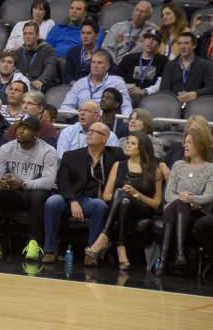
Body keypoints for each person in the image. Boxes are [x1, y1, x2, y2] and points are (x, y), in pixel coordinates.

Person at [0, 115, 59, 261]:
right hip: (12, 192)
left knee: (38, 195)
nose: (20, 131)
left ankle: (34, 243)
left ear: (36, 133)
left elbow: (48, 181)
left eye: (26, 128)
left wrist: (23, 183)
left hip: (33, 193)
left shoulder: (48, 151)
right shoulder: (6, 148)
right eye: (19, 127)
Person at [43, 121, 124, 265]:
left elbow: (141, 158)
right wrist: (73, 201)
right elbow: (63, 182)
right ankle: (50, 250)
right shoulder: (71, 156)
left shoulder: (116, 154)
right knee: (52, 202)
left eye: (95, 131)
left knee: (100, 206)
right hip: (71, 198)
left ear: (105, 138)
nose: (89, 133)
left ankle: (92, 252)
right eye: (89, 131)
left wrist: (161, 163)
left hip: (92, 200)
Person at [85, 131, 163, 269]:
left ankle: (104, 236)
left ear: (142, 148)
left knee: (123, 195)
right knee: (122, 198)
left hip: (142, 209)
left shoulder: (154, 170)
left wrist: (136, 194)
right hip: (121, 206)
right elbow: (106, 196)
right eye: (128, 142)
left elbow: (156, 204)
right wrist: (124, 195)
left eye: (133, 143)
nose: (128, 145)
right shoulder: (118, 165)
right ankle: (121, 249)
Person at [152, 128, 213, 276]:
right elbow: (168, 194)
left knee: (179, 204)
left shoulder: (210, 168)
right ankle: (179, 255)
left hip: (197, 212)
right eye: (185, 142)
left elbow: (210, 196)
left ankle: (165, 261)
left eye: (190, 142)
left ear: (201, 145)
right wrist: (183, 199)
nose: (185, 145)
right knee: (179, 204)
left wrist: (192, 199)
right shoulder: (178, 165)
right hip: (176, 208)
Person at [60, 50, 133, 116]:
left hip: (105, 121)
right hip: (81, 121)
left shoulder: (117, 82)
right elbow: (65, 106)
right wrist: (80, 113)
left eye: (99, 63)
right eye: (93, 62)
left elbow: (126, 106)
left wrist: (125, 120)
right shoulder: (80, 83)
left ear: (107, 66)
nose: (95, 66)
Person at [159, 31, 213, 105]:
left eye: (186, 43)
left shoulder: (205, 64)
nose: (182, 46)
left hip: (196, 103)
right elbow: (163, 89)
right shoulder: (170, 65)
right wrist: (175, 97)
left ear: (194, 46)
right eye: (180, 43)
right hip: (174, 103)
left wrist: (196, 93)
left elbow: (211, 88)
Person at [56, 100, 121, 158]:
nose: (82, 113)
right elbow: (62, 158)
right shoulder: (67, 132)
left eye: (87, 111)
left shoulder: (109, 136)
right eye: (80, 110)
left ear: (97, 116)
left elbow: (111, 161)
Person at [11, 21, 59, 91]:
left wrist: (40, 80)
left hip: (43, 83)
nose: (27, 37)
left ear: (37, 36)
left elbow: (50, 69)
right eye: (25, 34)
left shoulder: (48, 50)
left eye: (30, 34)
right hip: (24, 84)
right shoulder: (17, 52)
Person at [63, 19, 102, 83]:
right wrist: (74, 84)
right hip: (73, 88)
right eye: (83, 33)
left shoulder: (104, 55)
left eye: (89, 33)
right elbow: (67, 75)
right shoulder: (72, 52)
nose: (85, 36)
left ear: (96, 36)